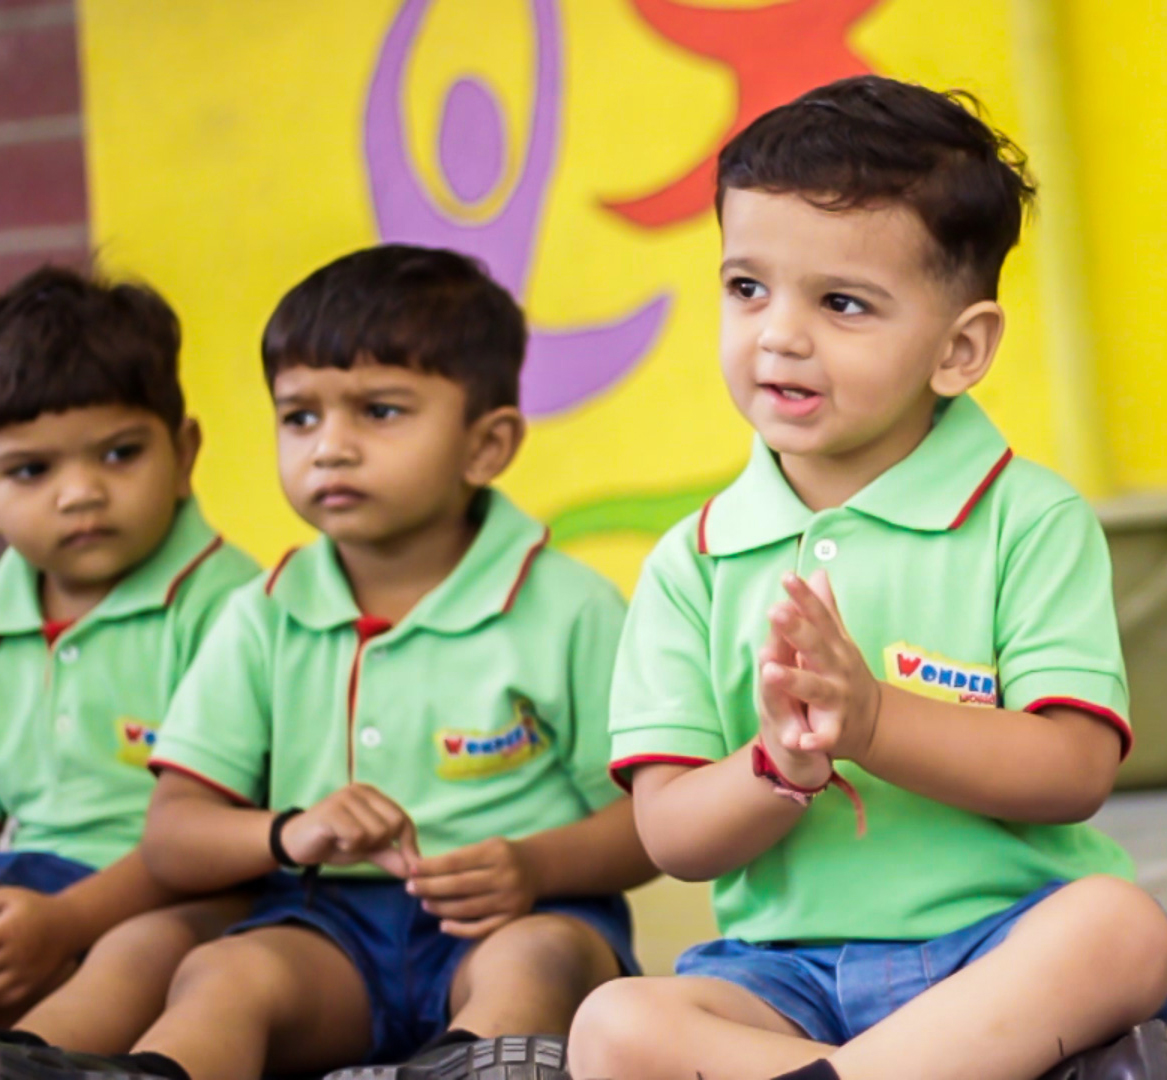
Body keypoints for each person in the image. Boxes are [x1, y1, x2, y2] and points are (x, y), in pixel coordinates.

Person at [567, 75, 1167, 1080]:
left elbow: (1073, 775)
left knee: (1121, 928)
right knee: (611, 1028)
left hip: (1000, 950)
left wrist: (872, 721)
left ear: (959, 349)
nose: (779, 334)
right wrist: (777, 767)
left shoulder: (1028, 518)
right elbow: (670, 834)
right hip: (784, 975)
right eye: (746, 288)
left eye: (841, 302)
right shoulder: (693, 560)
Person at [0, 245, 654, 1080]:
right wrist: (290, 830)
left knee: (539, 960)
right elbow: (173, 835)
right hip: (326, 924)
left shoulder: (568, 607)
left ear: (486, 445)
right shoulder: (264, 613)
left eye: (378, 412)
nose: (330, 448)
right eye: (300, 418)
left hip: (517, 917)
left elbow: (648, 822)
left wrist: (533, 867)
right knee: (226, 972)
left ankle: (473, 1063)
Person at [0, 267, 259, 1041]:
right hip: (30, 886)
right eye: (31, 470)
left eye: (118, 454)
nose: (79, 493)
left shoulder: (233, 608)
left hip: (189, 894)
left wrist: (64, 922)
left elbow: (226, 838)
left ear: (183, 453)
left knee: (140, 955)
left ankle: (43, 1058)